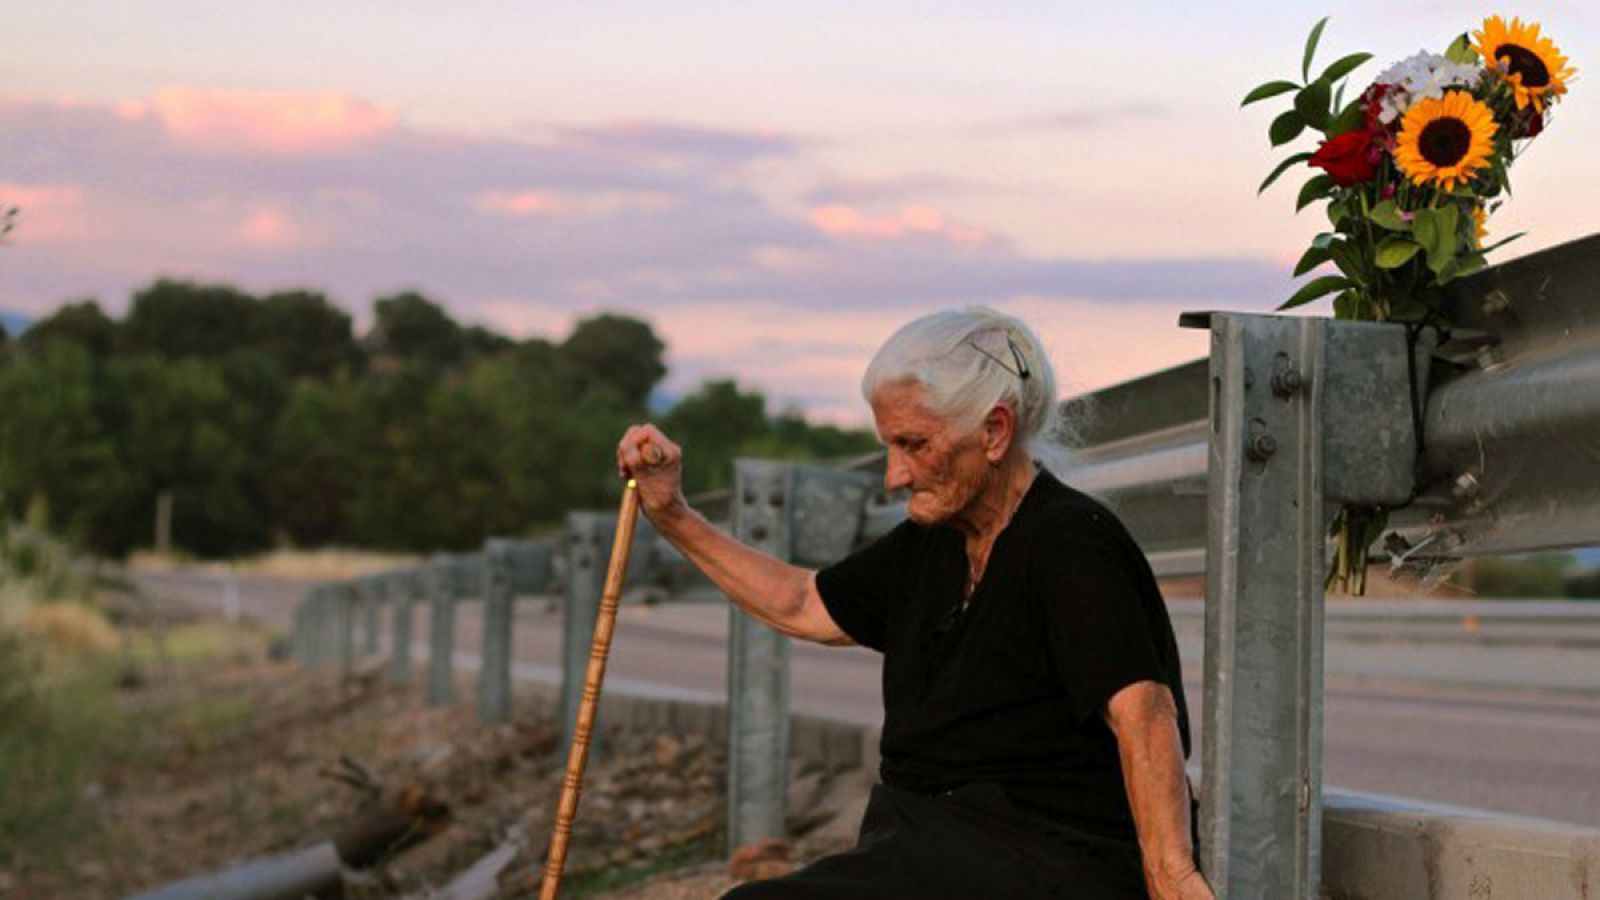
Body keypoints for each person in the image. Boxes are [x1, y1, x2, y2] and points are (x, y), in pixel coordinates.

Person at [616, 307, 1212, 900]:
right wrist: (673, 515)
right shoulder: (934, 543)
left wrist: (1171, 876)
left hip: (1044, 859)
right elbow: (802, 602)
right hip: (931, 850)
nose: (893, 476)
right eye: (889, 446)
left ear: (995, 431)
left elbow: (1143, 712)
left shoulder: (1071, 541)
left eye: (913, 445)